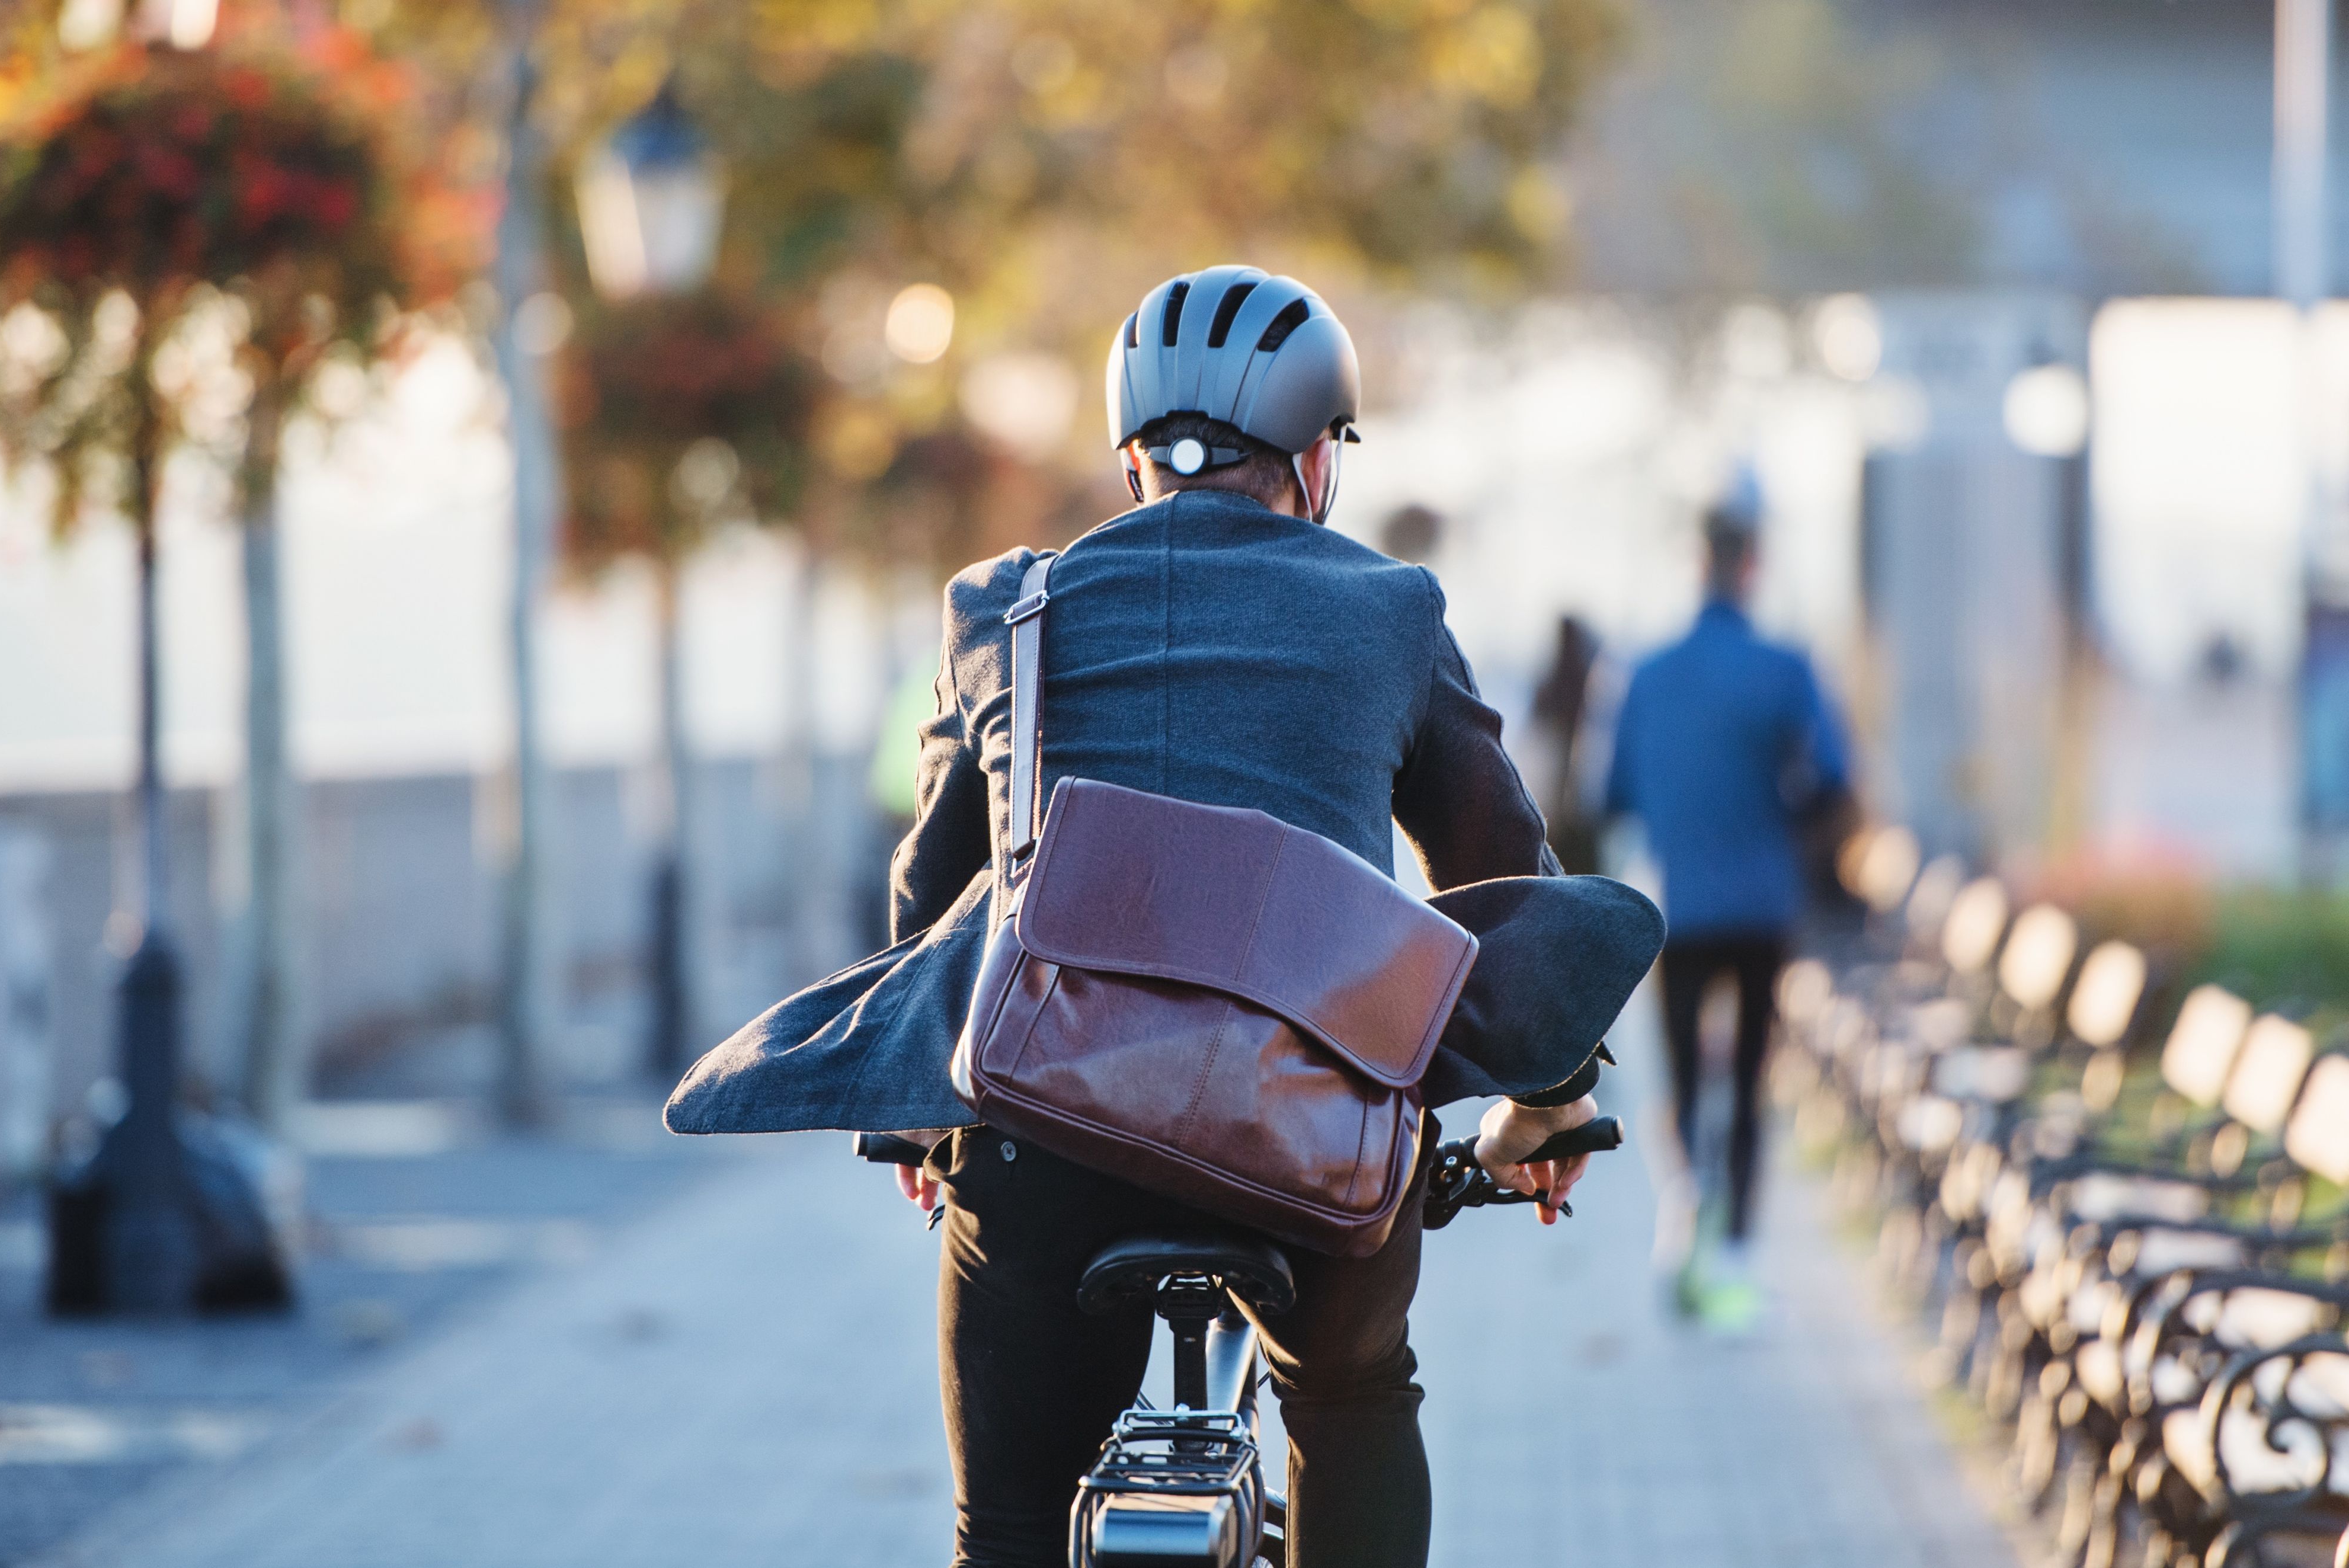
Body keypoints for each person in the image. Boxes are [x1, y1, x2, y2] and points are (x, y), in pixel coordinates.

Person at [664, 265, 1665, 1566]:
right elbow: (1503, 880)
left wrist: (916, 1115)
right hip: (1317, 1126)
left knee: (1008, 1528)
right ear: (1316, 463)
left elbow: (934, 900)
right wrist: (1546, 1107)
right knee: (1354, 1392)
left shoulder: (1000, 607)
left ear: (1131, 459)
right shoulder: (1387, 610)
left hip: (1041, 1124)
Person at [1605, 495, 1851, 1332]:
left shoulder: (1648, 672)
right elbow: (1834, 778)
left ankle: (1683, 1217)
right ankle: (1739, 1250)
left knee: (1677, 1075)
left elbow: (1617, 792)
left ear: (1695, 561)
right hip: (1762, 903)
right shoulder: (1786, 668)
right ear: (1753, 566)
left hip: (1678, 908)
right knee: (1747, 1078)